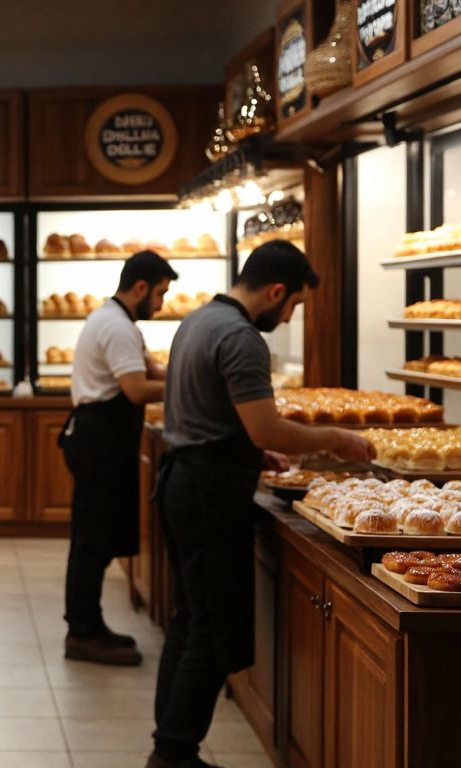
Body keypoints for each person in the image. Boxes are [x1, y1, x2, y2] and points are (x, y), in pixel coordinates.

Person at [146, 241, 374, 768]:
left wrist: (253, 448)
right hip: (208, 496)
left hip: (182, 482)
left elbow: (211, 415)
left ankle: (171, 744)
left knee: (189, 619)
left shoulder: (198, 320)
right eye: (292, 304)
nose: (289, 314)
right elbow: (264, 423)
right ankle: (173, 755)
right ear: (275, 291)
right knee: (211, 627)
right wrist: (335, 439)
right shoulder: (242, 337)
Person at [59, 250, 178, 666]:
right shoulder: (117, 326)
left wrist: (179, 371)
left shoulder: (114, 319)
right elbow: (135, 389)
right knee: (92, 542)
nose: (162, 304)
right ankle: (83, 632)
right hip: (100, 442)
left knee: (94, 536)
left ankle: (89, 624)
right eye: (160, 293)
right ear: (140, 287)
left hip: (98, 438)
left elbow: (149, 371)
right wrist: (191, 386)